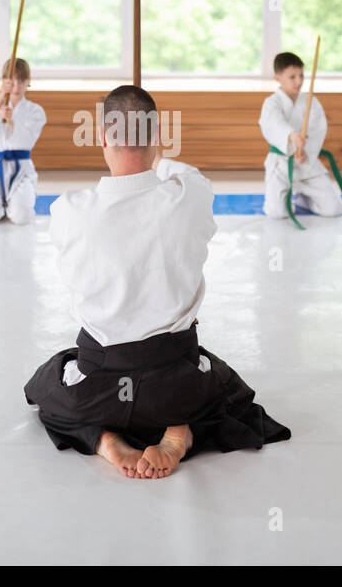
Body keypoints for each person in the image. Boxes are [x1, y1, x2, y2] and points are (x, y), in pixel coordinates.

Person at [24, 85, 290, 479]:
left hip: (100, 385)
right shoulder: (191, 195)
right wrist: (155, 153)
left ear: (100, 137)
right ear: (158, 137)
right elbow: (183, 173)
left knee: (49, 391)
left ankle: (102, 436)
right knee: (222, 391)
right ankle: (181, 428)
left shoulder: (69, 210)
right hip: (177, 379)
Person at [259, 51, 342, 221]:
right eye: (292, 77)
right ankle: (284, 200)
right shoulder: (272, 103)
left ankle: (303, 199)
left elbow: (318, 130)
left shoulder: (311, 102)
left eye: (301, 75)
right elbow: (273, 125)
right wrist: (292, 136)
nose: (298, 81)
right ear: (277, 78)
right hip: (282, 164)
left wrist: (305, 151)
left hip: (307, 162)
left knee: (334, 209)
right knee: (277, 213)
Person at [0, 57, 46, 225]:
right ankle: (0, 204)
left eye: (21, 81)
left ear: (28, 82)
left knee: (22, 217)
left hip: (22, 167)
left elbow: (28, 139)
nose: (16, 86)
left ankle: (15, 203)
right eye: (11, 81)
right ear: (4, 82)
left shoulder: (35, 111)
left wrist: (12, 122)